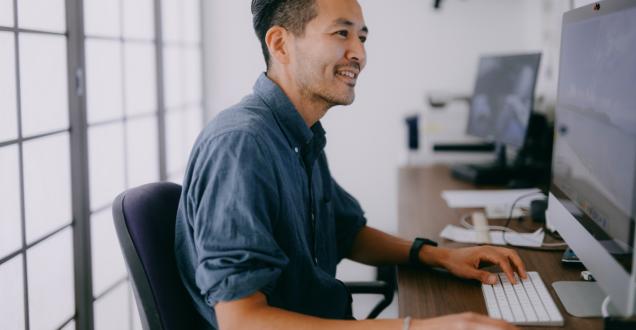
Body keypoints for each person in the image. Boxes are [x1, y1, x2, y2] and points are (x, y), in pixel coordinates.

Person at [174, 0, 525, 329]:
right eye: (342, 33)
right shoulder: (241, 146)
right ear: (280, 44)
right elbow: (242, 321)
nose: (359, 53)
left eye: (362, 37)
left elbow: (346, 233)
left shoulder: (301, 135)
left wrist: (441, 256)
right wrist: (415, 327)